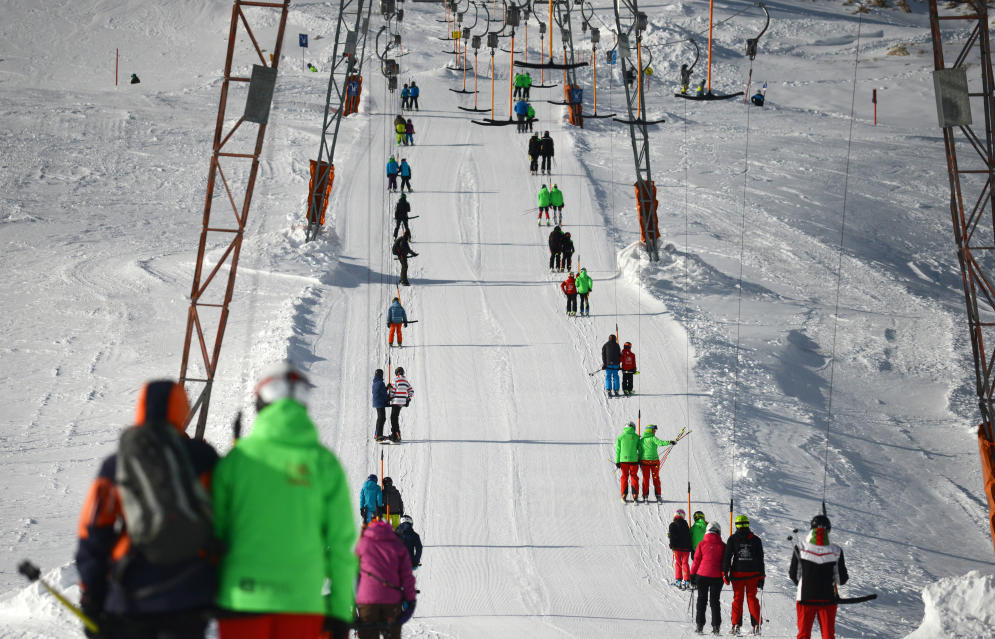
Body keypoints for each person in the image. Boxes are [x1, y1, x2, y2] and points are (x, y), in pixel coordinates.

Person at [213, 362, 357, 639]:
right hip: (302, 604)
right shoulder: (325, 464)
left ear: (259, 404)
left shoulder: (237, 460)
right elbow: (341, 546)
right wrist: (340, 611)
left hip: (242, 599)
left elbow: (215, 533)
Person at [75, 380, 218, 639]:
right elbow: (225, 521)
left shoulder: (117, 463)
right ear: (182, 410)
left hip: (130, 595)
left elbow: (93, 533)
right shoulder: (203, 457)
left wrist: (92, 597)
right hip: (191, 592)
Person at [355, 519, 417, 639]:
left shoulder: (363, 544)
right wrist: (410, 600)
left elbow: (353, 574)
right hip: (392, 603)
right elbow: (407, 576)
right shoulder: (398, 545)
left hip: (368, 602)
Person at [790, 514, 849, 639]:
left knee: (803, 634)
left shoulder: (800, 547)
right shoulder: (836, 550)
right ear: (828, 530)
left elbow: (793, 574)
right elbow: (841, 580)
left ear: (811, 528)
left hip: (805, 597)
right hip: (828, 599)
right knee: (828, 635)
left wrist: (803, 583)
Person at [723, 515, 765, 635]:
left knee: (738, 599)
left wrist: (725, 572)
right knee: (752, 599)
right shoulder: (756, 540)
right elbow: (760, 559)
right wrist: (761, 577)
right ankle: (756, 625)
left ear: (736, 525)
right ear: (747, 524)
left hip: (737, 574)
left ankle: (736, 625)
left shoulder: (732, 539)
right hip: (753, 575)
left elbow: (727, 557)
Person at [691, 521, 726, 635]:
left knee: (702, 600)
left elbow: (696, 561)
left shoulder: (701, 544)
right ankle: (716, 627)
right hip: (717, 577)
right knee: (714, 601)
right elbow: (726, 563)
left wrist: (692, 575)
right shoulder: (723, 545)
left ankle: (700, 626)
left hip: (702, 575)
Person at [637, 424, 677, 502]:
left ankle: (645, 495)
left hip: (644, 462)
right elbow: (661, 443)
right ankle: (657, 496)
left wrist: (639, 459)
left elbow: (639, 451)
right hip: (654, 462)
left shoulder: (641, 440)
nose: (655, 432)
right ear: (650, 430)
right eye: (654, 430)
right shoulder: (653, 438)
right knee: (655, 478)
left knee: (646, 479)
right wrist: (670, 442)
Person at [614, 421, 640, 502]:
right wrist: (640, 459)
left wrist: (617, 461)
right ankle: (635, 494)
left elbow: (618, 450)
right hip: (634, 460)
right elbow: (640, 449)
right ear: (633, 428)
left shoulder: (620, 437)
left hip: (623, 461)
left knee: (624, 477)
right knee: (634, 476)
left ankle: (624, 494)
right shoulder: (636, 437)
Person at [669, 508, 693, 589]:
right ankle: (687, 580)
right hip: (686, 548)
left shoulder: (673, 525)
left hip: (677, 548)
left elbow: (672, 536)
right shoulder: (686, 525)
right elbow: (689, 536)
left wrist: (672, 545)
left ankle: (678, 580)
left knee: (678, 563)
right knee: (685, 563)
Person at [387, 366, 413, 442]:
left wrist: (389, 398)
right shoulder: (406, 381)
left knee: (393, 418)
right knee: (395, 417)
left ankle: (395, 435)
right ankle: (397, 435)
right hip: (402, 402)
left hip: (396, 401)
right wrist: (408, 399)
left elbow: (392, 391)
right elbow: (411, 391)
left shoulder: (396, 380)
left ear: (396, 373)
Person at [372, 369, 389, 440]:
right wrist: (387, 401)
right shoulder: (381, 383)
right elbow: (384, 394)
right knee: (382, 418)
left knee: (380, 418)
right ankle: (379, 435)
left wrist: (386, 388)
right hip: (380, 402)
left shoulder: (375, 382)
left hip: (376, 402)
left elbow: (379, 391)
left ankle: (377, 434)